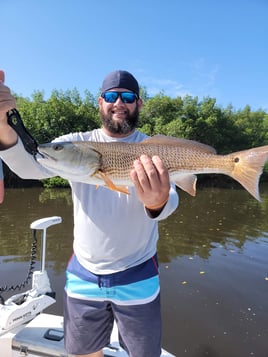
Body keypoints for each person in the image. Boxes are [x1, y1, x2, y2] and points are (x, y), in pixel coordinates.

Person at [0, 69, 179, 357]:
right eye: (111, 96)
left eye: (127, 97)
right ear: (100, 102)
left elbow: (169, 201)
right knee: (83, 353)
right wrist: (3, 124)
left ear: (139, 104)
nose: (118, 103)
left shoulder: (153, 148)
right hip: (85, 274)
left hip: (139, 271)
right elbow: (28, 166)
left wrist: (157, 201)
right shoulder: (75, 143)